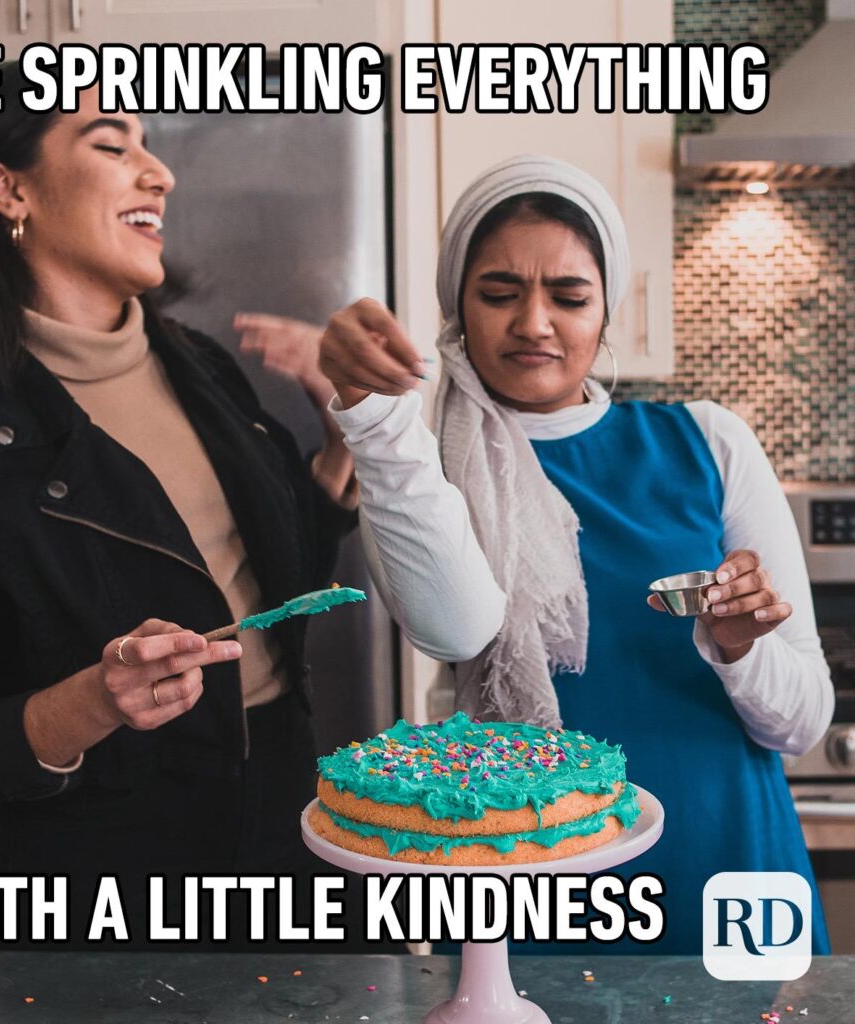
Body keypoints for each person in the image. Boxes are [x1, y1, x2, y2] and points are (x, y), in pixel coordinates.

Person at [0, 65, 360, 950]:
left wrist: (340, 433)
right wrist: (92, 702)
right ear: (9, 187)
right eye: (110, 144)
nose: (157, 172)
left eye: (150, 147)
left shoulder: (200, 366)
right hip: (105, 884)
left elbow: (273, 587)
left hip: (296, 836)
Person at [317, 154, 834, 955]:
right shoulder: (423, 471)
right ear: (456, 309)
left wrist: (738, 649)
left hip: (727, 872)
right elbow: (457, 631)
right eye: (498, 293)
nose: (533, 323)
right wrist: (376, 419)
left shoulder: (707, 441)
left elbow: (801, 723)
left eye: (569, 296)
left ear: (607, 312)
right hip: (531, 905)